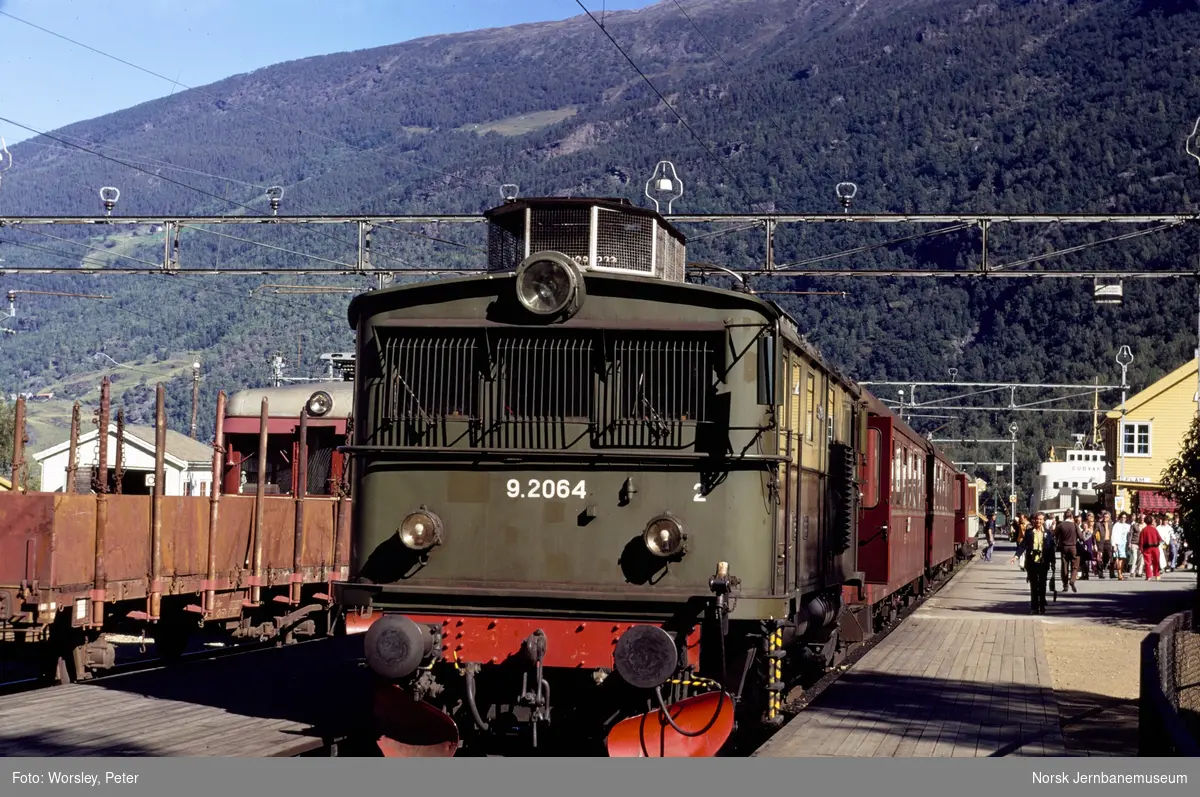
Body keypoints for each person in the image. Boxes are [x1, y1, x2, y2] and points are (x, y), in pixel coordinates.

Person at [1011, 512, 1055, 615]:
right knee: (1034, 586)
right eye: (1037, 519)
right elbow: (1023, 546)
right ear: (1034, 520)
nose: (1038, 521)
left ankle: (1042, 606)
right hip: (1032, 562)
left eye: (1040, 519)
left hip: (1043, 562)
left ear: (1043, 521)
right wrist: (1016, 556)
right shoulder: (1029, 532)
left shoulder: (1048, 533)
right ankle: (1034, 607)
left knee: (1043, 585)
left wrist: (1053, 562)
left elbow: (1051, 549)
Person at [1055, 510, 1081, 593]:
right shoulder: (1075, 525)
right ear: (1071, 517)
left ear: (1064, 516)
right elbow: (1081, 537)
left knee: (1064, 567)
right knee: (1075, 565)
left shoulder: (1060, 525)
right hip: (1074, 547)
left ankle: (1065, 585)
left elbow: (1054, 534)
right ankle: (1072, 580)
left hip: (1064, 548)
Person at [1140, 516, 1163, 580]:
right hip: (1155, 547)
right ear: (1151, 521)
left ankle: (1148, 575)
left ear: (1145, 521)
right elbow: (1159, 539)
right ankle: (1157, 575)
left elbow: (1141, 541)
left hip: (1147, 548)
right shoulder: (1154, 529)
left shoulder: (1143, 530)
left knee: (1147, 562)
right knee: (1156, 561)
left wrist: (1141, 549)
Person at [1110, 512, 1130, 581]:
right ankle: (1119, 574)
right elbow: (1113, 535)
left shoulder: (1127, 526)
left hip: (1124, 544)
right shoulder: (1116, 525)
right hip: (1118, 543)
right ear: (1120, 518)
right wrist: (1114, 545)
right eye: (1122, 517)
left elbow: (1130, 533)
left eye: (1125, 518)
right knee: (1119, 559)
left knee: (1123, 560)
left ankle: (1120, 573)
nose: (1123, 519)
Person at [1129, 514, 1144, 578]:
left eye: (1143, 519)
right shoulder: (1134, 525)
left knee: (1141, 559)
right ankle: (1132, 572)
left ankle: (1139, 572)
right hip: (1134, 543)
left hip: (1142, 544)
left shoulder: (1145, 526)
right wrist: (1129, 543)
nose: (1142, 520)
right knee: (1135, 557)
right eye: (1141, 518)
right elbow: (1130, 534)